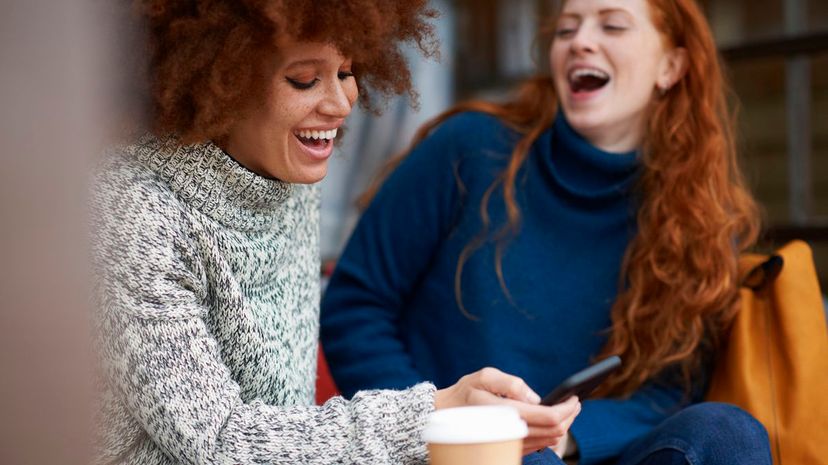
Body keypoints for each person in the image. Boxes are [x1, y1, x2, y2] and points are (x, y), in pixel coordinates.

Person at [90, 1, 582, 464]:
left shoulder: (285, 174)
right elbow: (223, 442)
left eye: (346, 73)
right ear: (221, 80)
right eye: (305, 79)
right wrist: (432, 415)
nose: (343, 102)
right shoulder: (132, 211)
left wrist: (459, 413)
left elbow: (288, 418)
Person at [320, 0, 773, 464]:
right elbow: (354, 307)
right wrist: (438, 421)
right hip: (460, 448)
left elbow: (672, 388)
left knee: (728, 433)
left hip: (588, 451)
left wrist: (567, 436)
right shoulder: (470, 151)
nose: (580, 41)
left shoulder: (695, 217)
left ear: (671, 66)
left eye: (612, 25)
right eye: (566, 30)